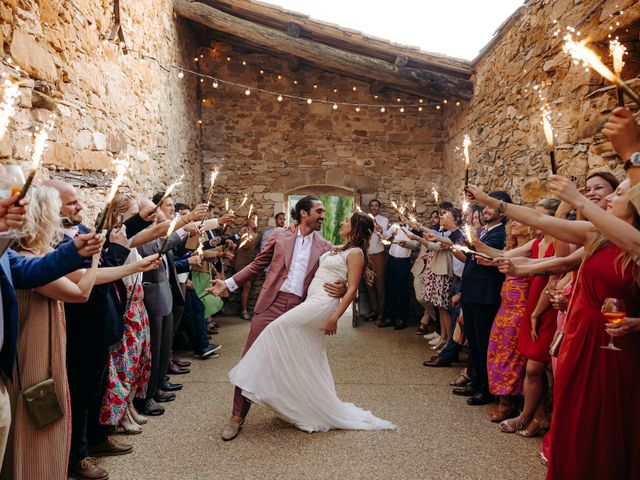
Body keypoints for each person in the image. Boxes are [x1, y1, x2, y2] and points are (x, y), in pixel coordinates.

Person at [465, 180, 640, 479]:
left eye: (619, 193)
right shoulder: (595, 234)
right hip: (580, 334)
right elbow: (541, 223)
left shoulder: (634, 246)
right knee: (575, 414)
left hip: (616, 342)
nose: (609, 197)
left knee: (608, 418)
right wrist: (489, 201)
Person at [228, 212, 396, 433]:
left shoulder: (356, 253)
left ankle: (259, 383)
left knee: (275, 330)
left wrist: (335, 317)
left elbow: (354, 287)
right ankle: (305, 404)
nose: (341, 222)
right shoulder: (337, 247)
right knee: (309, 355)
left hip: (323, 304)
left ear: (355, 227)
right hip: (313, 298)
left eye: (346, 220)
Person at [208, 196, 346, 441]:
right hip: (271, 303)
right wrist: (228, 283)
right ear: (304, 213)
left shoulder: (324, 246)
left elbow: (337, 270)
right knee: (251, 357)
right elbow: (256, 264)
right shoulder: (280, 236)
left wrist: (344, 287)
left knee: (294, 362)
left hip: (298, 310)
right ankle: (237, 416)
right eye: (319, 211)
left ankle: (290, 409)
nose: (323, 215)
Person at [452, 191, 511, 406]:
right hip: (471, 293)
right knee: (474, 343)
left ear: (503, 212)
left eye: (490, 207)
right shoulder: (484, 231)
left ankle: (487, 389)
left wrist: (454, 232)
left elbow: (477, 252)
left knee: (484, 343)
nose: (485, 210)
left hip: (486, 296)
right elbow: (469, 253)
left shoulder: (499, 234)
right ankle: (476, 381)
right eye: (484, 206)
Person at [365, 199, 389, 324]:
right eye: (371, 205)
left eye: (376, 206)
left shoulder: (383, 220)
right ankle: (374, 310)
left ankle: (381, 314)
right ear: (369, 207)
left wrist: (379, 229)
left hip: (378, 254)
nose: (373, 208)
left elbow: (384, 237)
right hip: (366, 255)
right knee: (369, 284)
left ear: (379, 208)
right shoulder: (364, 218)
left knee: (380, 284)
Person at [234, 221, 261, 320]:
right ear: (249, 220)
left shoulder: (258, 234)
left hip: (252, 261)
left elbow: (258, 249)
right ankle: (244, 311)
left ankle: (245, 309)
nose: (255, 221)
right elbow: (245, 246)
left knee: (248, 288)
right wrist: (247, 235)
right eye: (253, 218)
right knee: (247, 285)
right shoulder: (244, 231)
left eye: (256, 219)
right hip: (241, 261)